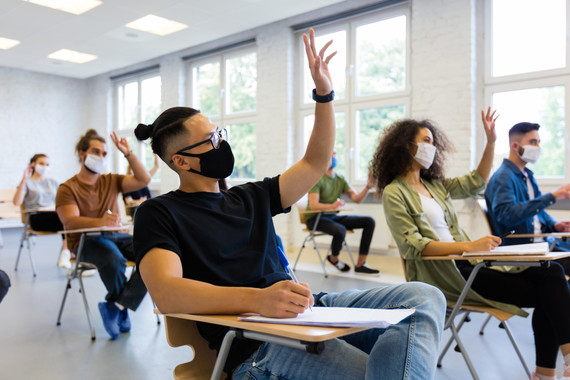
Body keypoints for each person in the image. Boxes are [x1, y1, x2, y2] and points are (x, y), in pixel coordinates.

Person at [133, 29, 446, 380]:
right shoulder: (159, 213)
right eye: (210, 140)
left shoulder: (250, 197)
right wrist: (257, 299)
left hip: (310, 308)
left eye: (219, 133)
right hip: (257, 343)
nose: (221, 142)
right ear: (181, 161)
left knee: (424, 299)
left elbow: (314, 163)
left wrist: (324, 95)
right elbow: (167, 292)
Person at [373, 109, 570, 380]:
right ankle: (551, 371)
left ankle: (554, 369)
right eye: (426, 141)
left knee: (552, 274)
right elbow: (414, 246)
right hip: (448, 274)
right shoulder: (395, 192)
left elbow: (476, 181)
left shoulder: (435, 185)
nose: (431, 146)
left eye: (432, 141)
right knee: (552, 292)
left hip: (472, 263)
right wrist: (468, 247)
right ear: (407, 146)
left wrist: (490, 142)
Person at [55, 129, 150, 340]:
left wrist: (128, 153)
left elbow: (144, 180)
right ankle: (122, 309)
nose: (101, 157)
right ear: (81, 153)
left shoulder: (112, 180)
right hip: (85, 240)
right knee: (113, 259)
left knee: (153, 254)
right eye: (95, 151)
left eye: (104, 153)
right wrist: (101, 222)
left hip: (115, 236)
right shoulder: (67, 188)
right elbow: (69, 221)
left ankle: (117, 306)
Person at [485, 122, 570, 273]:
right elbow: (507, 215)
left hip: (543, 244)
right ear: (515, 146)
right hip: (525, 249)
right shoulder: (503, 177)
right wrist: (552, 195)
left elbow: (538, 212)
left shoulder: (528, 176)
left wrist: (555, 225)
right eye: (533, 142)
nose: (538, 147)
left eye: (538, 142)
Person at [306, 150, 379, 274]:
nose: (334, 156)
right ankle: (333, 258)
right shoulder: (317, 178)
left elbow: (356, 199)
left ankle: (361, 264)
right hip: (315, 219)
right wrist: (332, 205)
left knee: (369, 221)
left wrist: (368, 187)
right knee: (340, 230)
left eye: (335, 154)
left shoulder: (340, 179)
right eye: (331, 154)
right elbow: (313, 205)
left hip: (332, 217)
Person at [13, 153, 71, 269]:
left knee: (70, 219)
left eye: (47, 164)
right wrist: (24, 179)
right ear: (33, 165)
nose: (45, 167)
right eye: (41, 164)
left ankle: (67, 252)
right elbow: (17, 202)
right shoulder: (27, 182)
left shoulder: (53, 182)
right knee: (67, 220)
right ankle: (68, 253)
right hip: (36, 217)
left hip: (54, 215)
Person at [123, 154, 159, 218]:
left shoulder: (144, 179)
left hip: (148, 207)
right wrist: (139, 201)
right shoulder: (127, 184)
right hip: (137, 209)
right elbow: (128, 201)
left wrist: (155, 153)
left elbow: (156, 166)